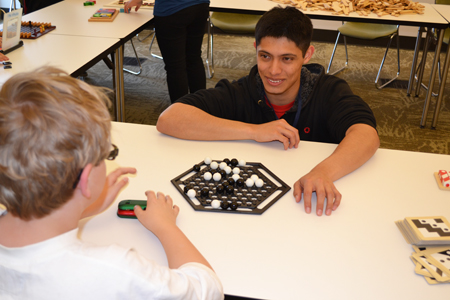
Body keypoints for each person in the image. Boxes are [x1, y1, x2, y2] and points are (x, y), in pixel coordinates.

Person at [0, 67, 223, 299]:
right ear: (85, 180)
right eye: (107, 154)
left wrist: (81, 206)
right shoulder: (113, 270)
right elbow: (207, 289)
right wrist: (165, 226)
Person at [156, 6, 380, 217]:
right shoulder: (240, 91)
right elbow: (169, 119)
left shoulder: (328, 91)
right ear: (255, 50)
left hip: (306, 211)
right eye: (265, 56)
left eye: (287, 59)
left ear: (307, 55)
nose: (274, 70)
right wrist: (253, 131)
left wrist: (323, 172)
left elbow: (366, 134)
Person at [124, 0, 209, 103]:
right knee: (194, 59)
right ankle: (202, 108)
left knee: (176, 67)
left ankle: (180, 114)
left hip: (172, 10)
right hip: (200, 6)